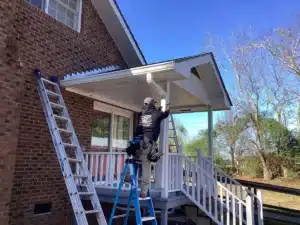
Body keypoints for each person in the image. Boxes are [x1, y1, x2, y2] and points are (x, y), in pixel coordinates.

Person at [133, 97, 170, 198]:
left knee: (135, 160)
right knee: (146, 167)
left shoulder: (142, 114)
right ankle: (144, 191)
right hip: (148, 144)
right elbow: (165, 114)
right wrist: (167, 107)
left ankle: (129, 176)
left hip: (138, 142)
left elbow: (150, 118)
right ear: (152, 104)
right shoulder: (156, 114)